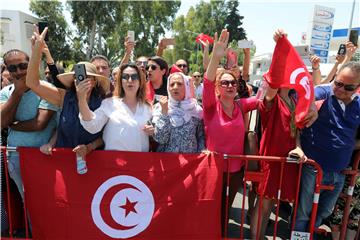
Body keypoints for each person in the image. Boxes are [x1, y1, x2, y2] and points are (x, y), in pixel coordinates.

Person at [250, 29, 318, 239]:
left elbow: (295, 130)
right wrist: (279, 49)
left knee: (271, 205)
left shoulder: (297, 102)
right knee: (264, 204)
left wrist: (298, 146)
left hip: (289, 160)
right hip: (271, 159)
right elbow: (272, 84)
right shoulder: (271, 101)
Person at [202, 29, 259, 235]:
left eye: (233, 83)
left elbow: (263, 96)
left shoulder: (242, 105)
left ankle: (222, 234)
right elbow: (207, 82)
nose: (229, 85)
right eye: (224, 82)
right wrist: (215, 57)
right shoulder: (210, 106)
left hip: (236, 170)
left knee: (226, 210)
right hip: (212, 168)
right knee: (210, 207)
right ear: (218, 88)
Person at [294, 61, 360, 233]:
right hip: (313, 168)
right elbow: (299, 98)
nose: (341, 89)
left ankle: (308, 234)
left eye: (348, 87)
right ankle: (299, 235)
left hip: (339, 172)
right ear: (335, 77)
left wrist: (348, 145)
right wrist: (310, 106)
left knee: (325, 211)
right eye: (338, 83)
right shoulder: (322, 93)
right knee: (303, 212)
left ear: (358, 87)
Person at [26, 27, 107, 158]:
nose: (82, 80)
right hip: (64, 160)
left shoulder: (104, 102)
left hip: (94, 162)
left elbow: (106, 135)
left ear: (94, 82)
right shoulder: (65, 97)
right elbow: (32, 83)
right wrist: (37, 52)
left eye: (88, 77)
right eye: (78, 77)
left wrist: (89, 147)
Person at [0, 49, 58, 200]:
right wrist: (17, 93)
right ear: (7, 69)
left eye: (23, 66)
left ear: (31, 65)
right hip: (16, 159)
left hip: (45, 158)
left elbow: (39, 123)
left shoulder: (46, 89)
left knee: (48, 202)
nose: (19, 71)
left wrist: (12, 125)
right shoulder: (6, 92)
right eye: (12, 68)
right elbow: (2, 121)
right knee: (29, 203)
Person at [78, 63, 153, 151]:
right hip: (114, 161)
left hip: (140, 162)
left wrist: (153, 131)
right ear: (120, 81)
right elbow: (92, 126)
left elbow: (157, 136)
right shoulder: (109, 103)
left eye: (134, 76)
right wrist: (81, 98)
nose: (130, 80)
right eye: (125, 77)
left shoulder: (148, 107)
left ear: (140, 81)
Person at [152, 72, 204, 153]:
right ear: (168, 88)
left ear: (186, 87)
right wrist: (164, 112)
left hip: (191, 163)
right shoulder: (160, 107)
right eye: (172, 84)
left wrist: (200, 156)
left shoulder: (196, 109)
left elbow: (201, 137)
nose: (175, 87)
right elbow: (160, 139)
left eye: (179, 84)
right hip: (167, 162)